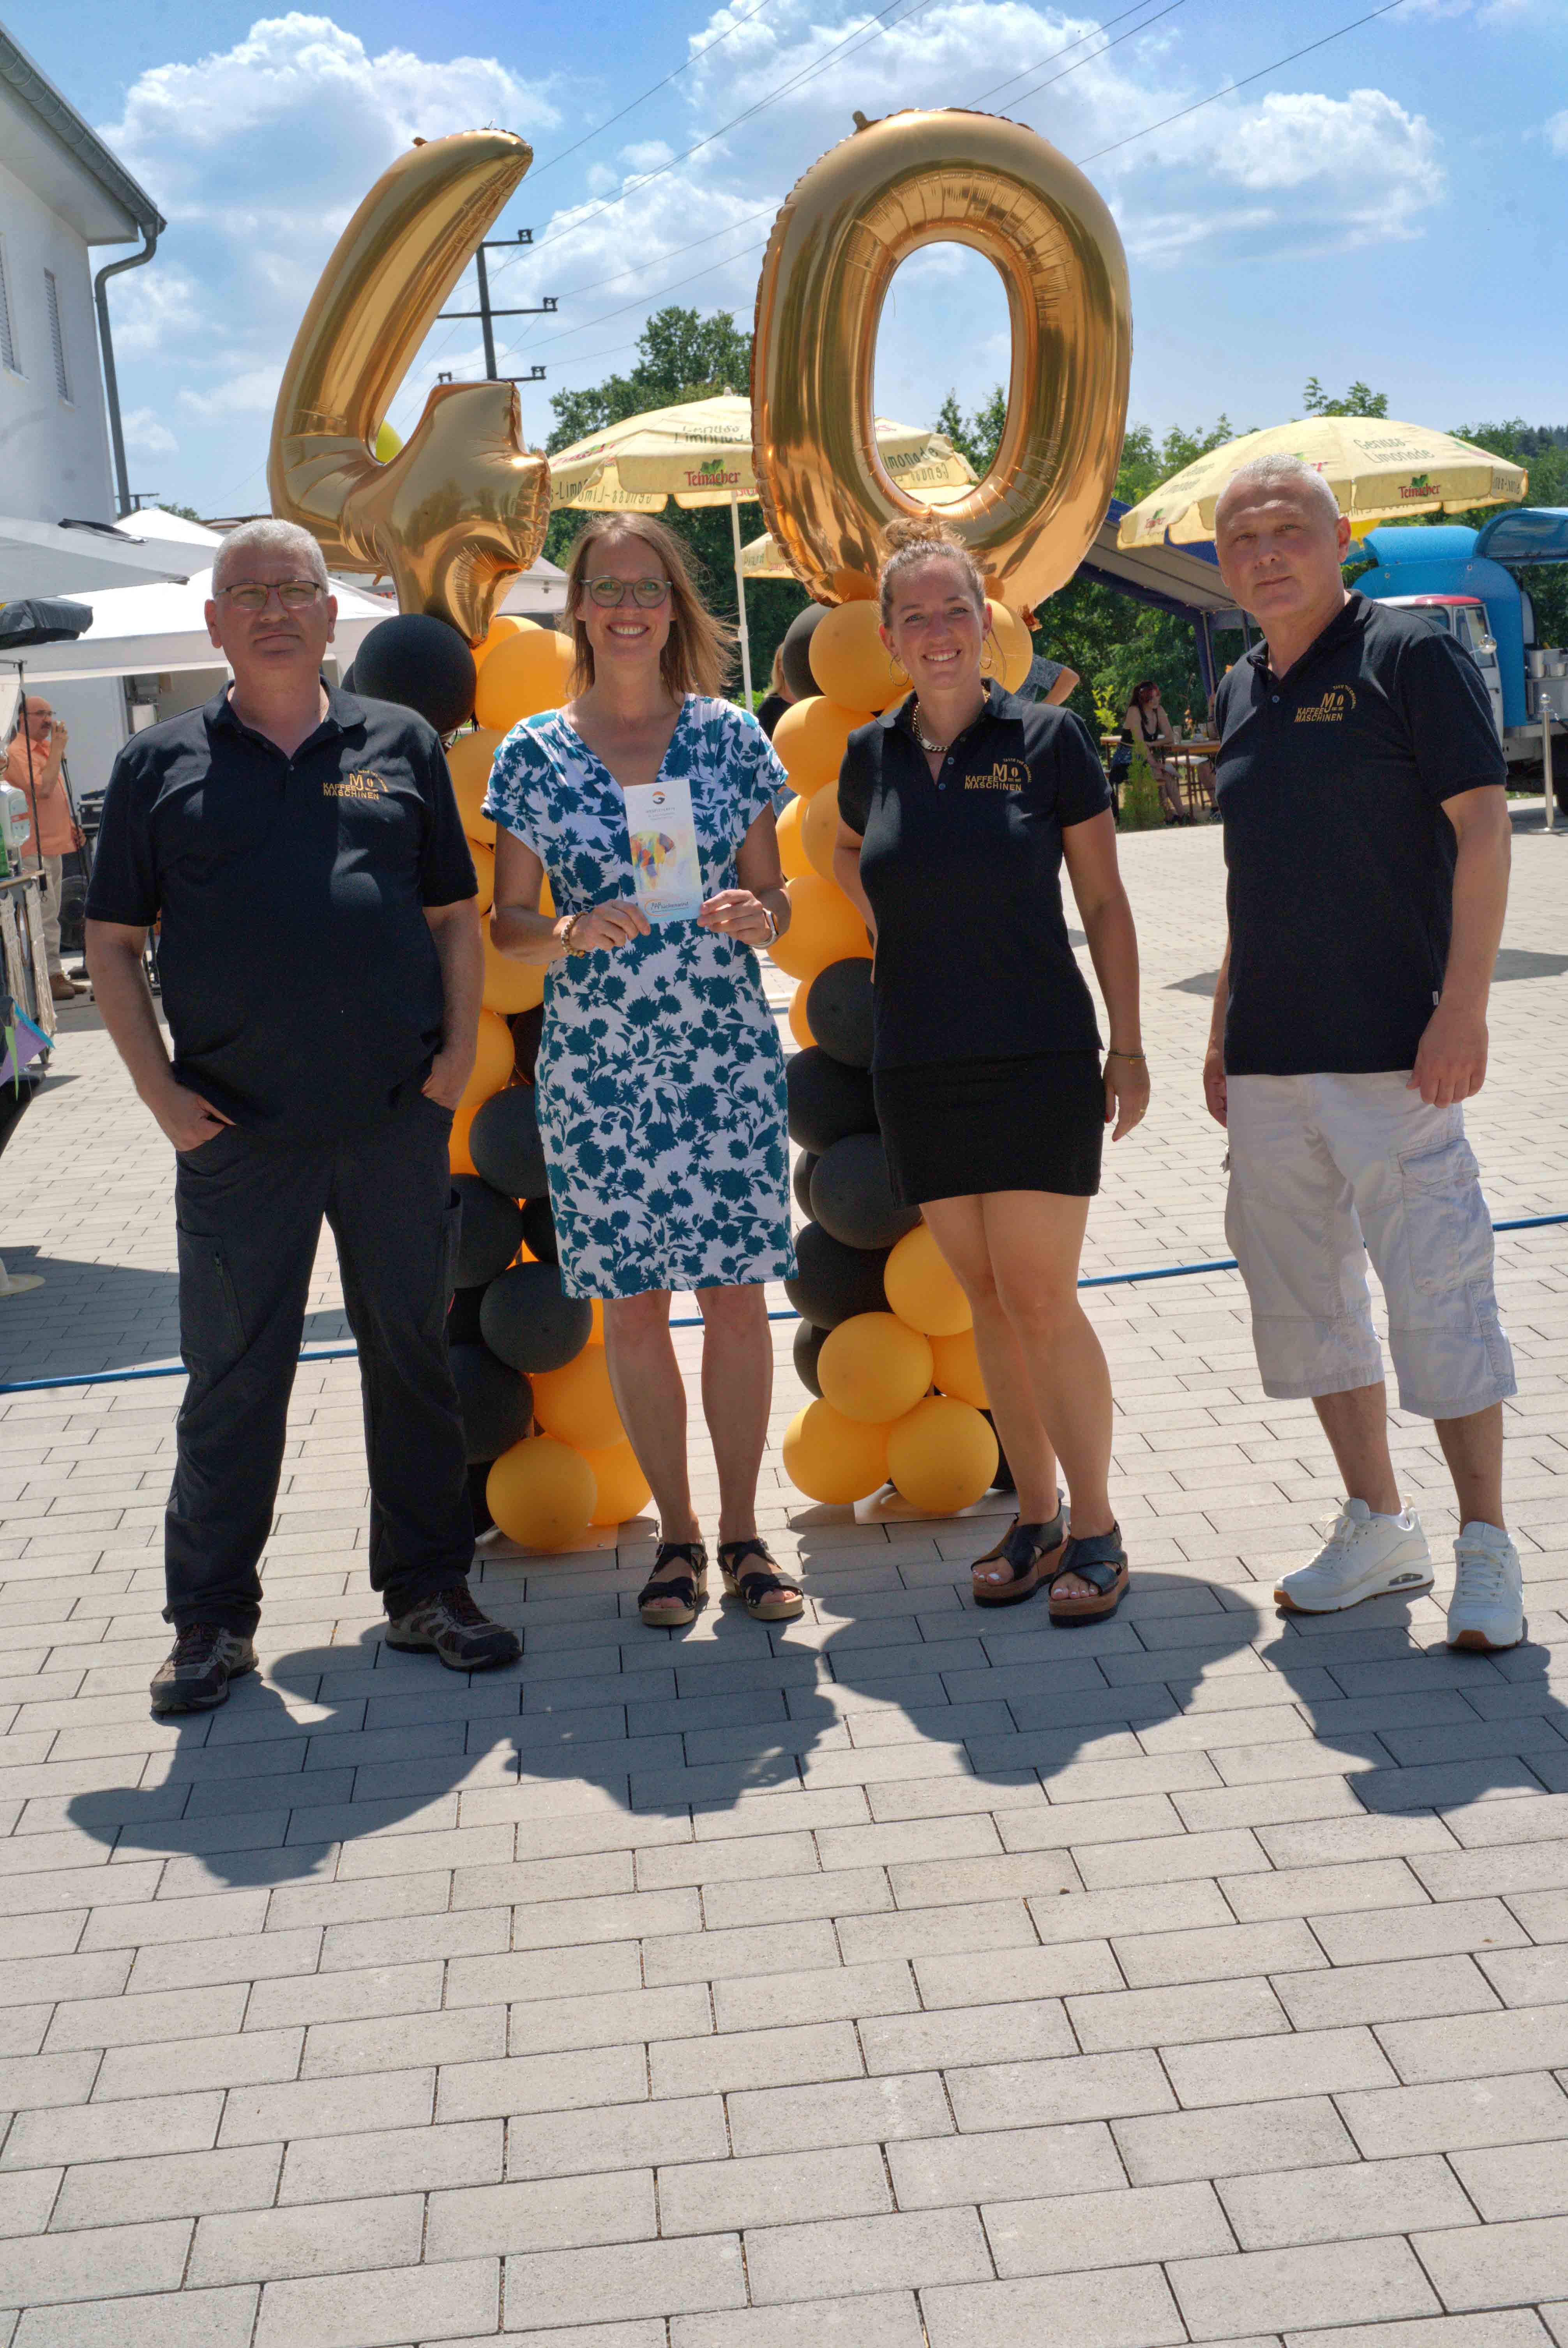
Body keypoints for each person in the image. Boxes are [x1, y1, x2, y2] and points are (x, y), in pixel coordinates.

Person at [84, 517, 517, 1714]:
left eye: (296, 588)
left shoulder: (400, 742)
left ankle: (429, 1588)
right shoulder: (156, 763)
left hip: (392, 1116)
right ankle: (212, 1622)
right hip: (235, 1133)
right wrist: (159, 1093)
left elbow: (451, 917)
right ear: (215, 624)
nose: (274, 608)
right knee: (231, 1377)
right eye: (248, 593)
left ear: (334, 614)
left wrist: (453, 1064)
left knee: (414, 1361)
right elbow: (112, 945)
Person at [1208, 452, 1521, 1651]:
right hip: (1274, 1059)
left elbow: (1484, 829)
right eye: (1243, 539)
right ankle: (1377, 1524)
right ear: (1225, 566)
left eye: (1290, 530)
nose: (1267, 552)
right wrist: (1222, 1028)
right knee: (1311, 1308)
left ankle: (1485, 1545)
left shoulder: (1408, 654)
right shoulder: (1243, 686)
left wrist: (1466, 1008)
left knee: (1439, 1294)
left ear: (1342, 540)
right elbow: (1253, 879)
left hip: (1399, 1049)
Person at [486, 515, 803, 1632]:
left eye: (649, 587)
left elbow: (781, 901)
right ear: (577, 606)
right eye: (607, 586)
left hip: (722, 1061)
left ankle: (745, 1533)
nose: (628, 605)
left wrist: (758, 913)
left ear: (677, 608)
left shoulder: (728, 739)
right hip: (601, 1076)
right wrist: (570, 929)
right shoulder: (531, 752)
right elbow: (507, 927)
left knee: (735, 1303)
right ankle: (675, 1539)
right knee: (632, 1315)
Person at [833, 516, 1149, 1622]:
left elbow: (1105, 903)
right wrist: (901, 931)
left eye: (953, 610)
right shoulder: (868, 754)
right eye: (912, 615)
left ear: (987, 624)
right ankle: (1037, 1517)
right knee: (982, 1301)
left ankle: (1100, 1528)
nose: (936, 632)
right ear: (887, 634)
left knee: (1040, 1298)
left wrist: (1131, 1042)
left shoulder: (1049, 738)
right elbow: (843, 848)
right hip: (918, 1059)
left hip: (1038, 1054)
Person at [5, 696, 85, 999]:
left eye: (50, 713)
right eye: (41, 714)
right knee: (45, 916)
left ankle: (55, 974)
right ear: (23, 719)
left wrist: (70, 827)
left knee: (52, 913)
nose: (48, 720)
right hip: (32, 850)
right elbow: (44, 789)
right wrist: (59, 751)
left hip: (53, 845)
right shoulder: (17, 753)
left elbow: (55, 797)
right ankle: (49, 979)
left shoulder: (46, 751)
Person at [1118, 680, 1189, 824]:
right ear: (1145, 699)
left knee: (1167, 775)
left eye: (1158, 695)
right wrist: (1155, 763)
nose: (1158, 699)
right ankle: (1168, 815)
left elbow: (1170, 737)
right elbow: (1139, 744)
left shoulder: (1159, 710)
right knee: (1158, 773)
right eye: (1153, 696)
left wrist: (1152, 744)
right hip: (1128, 758)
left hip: (1145, 755)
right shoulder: (1134, 711)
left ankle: (1181, 816)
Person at [757, 645, 794, 741]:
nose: (794, 663)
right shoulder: (769, 707)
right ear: (779, 666)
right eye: (788, 659)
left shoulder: (814, 699)